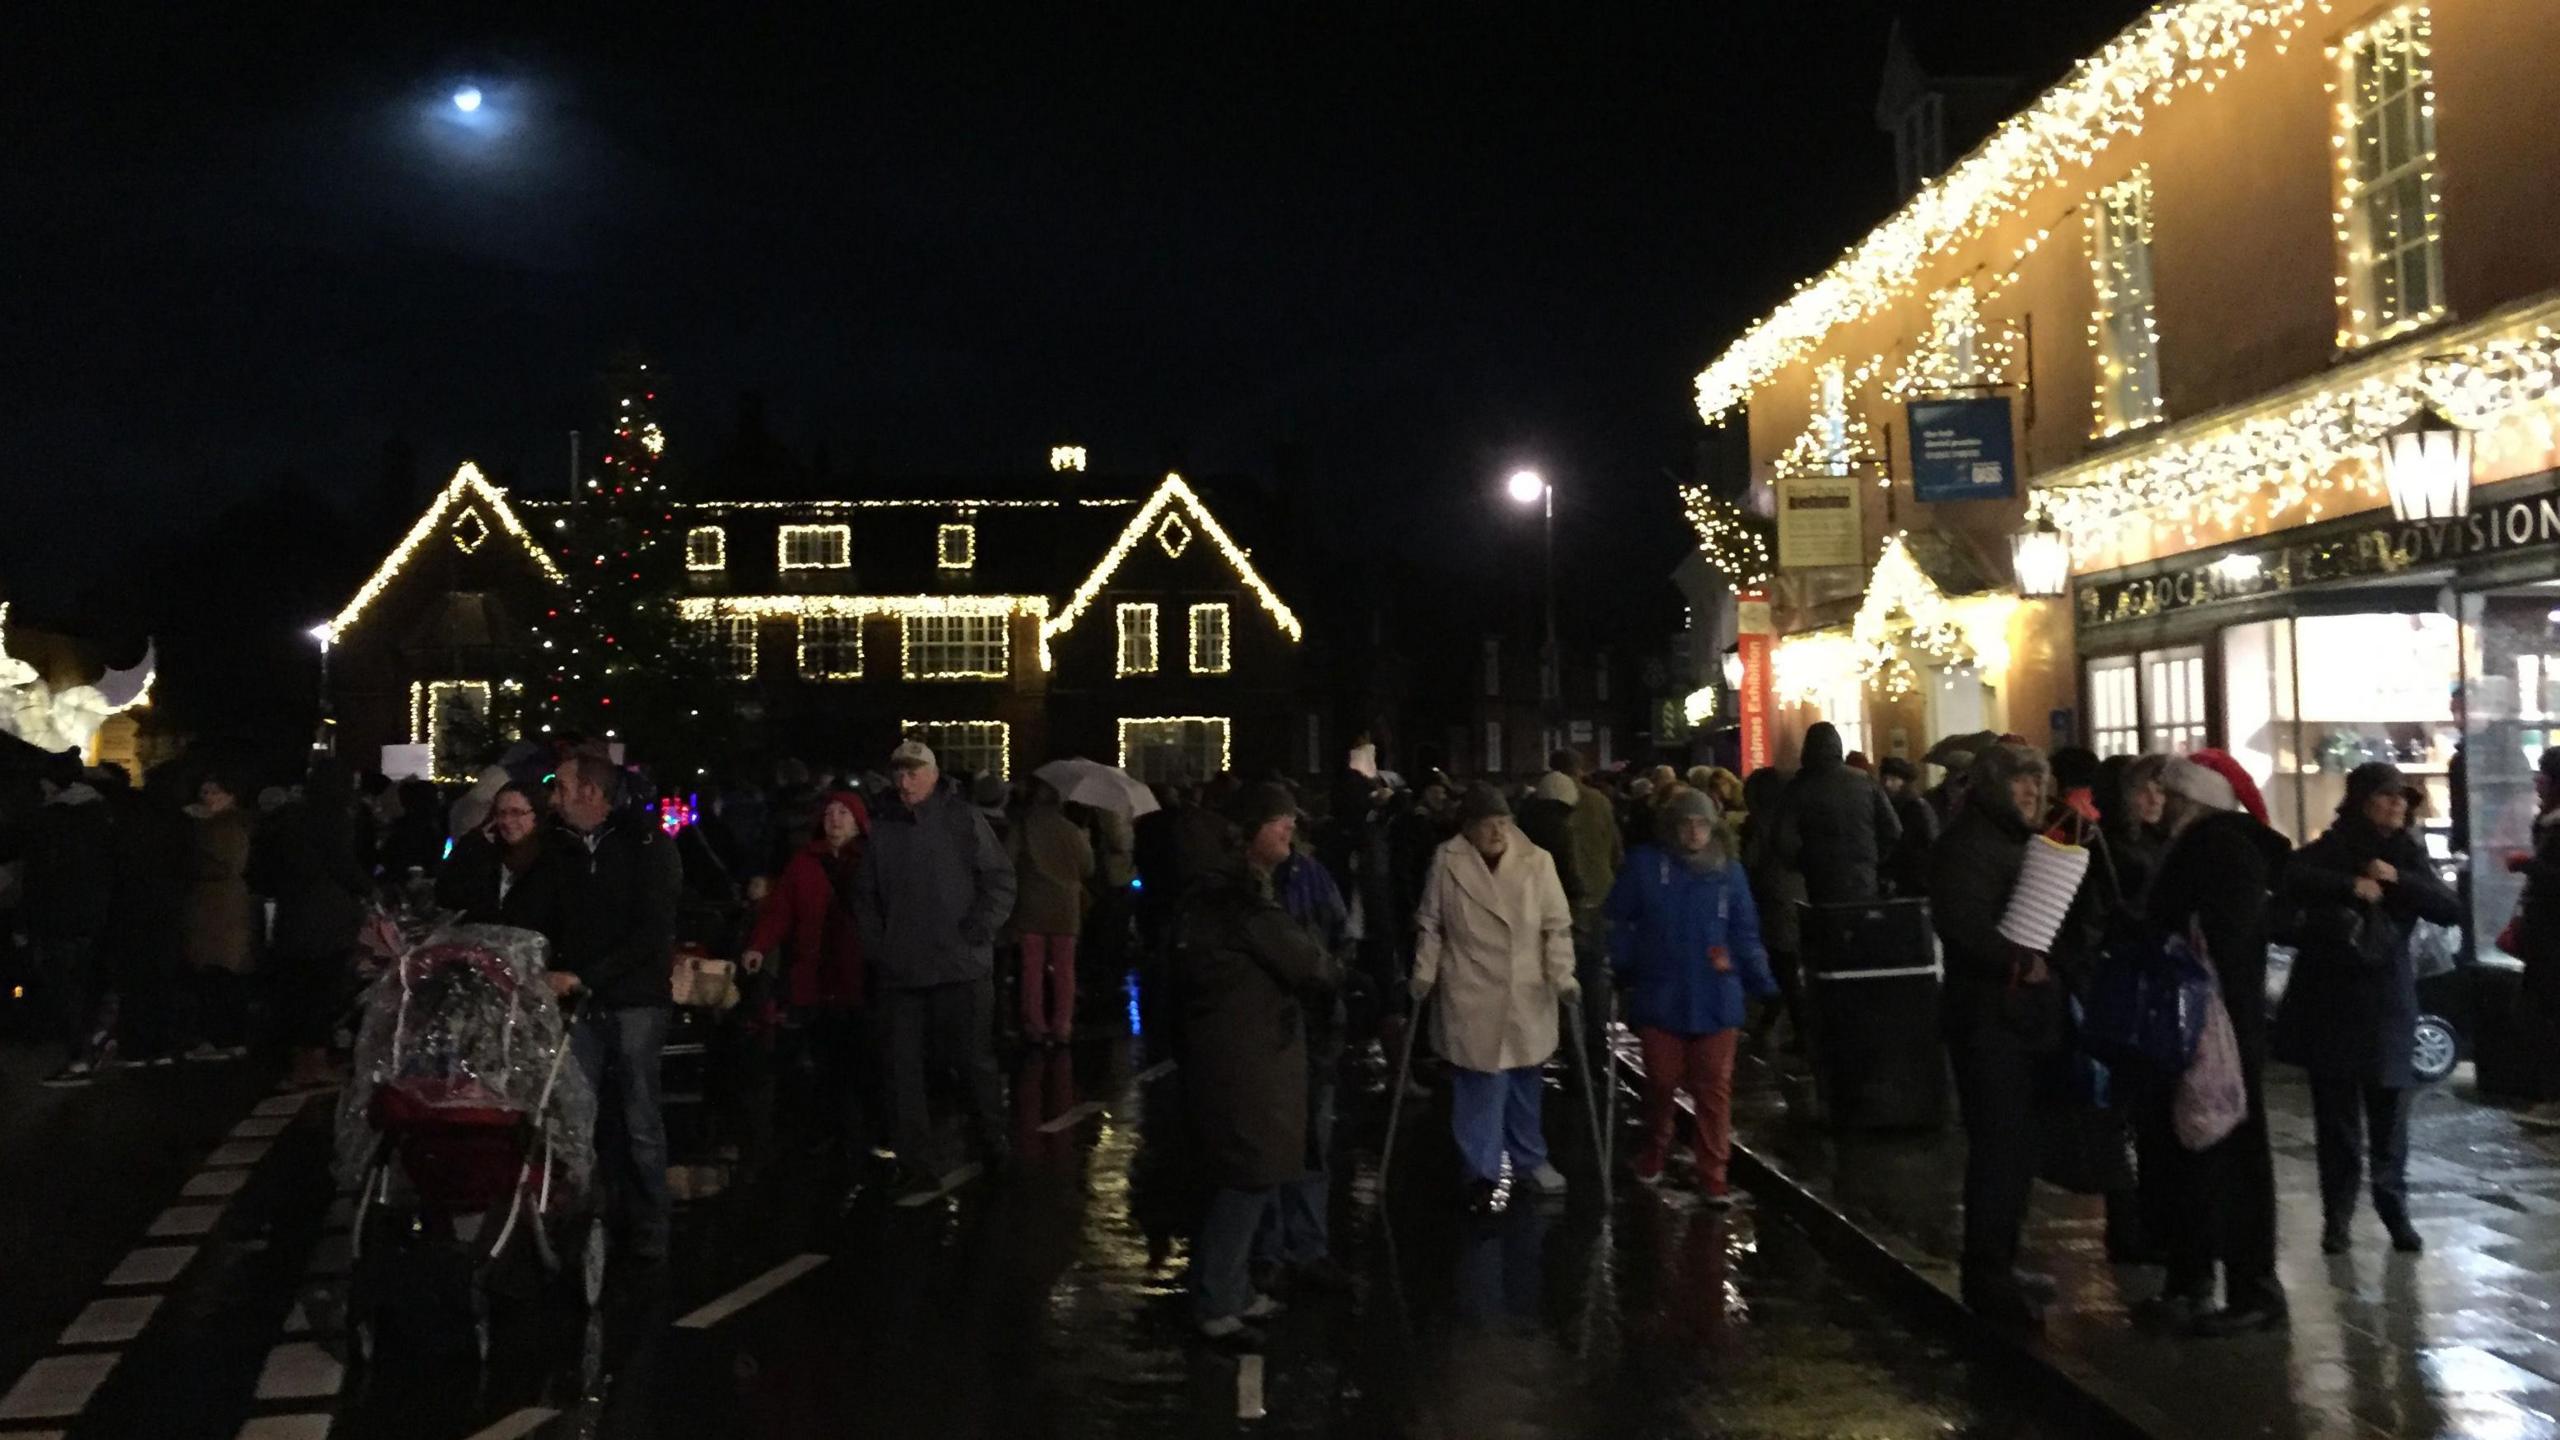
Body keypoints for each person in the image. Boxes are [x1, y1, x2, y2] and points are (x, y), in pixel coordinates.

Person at [2275, 761, 2461, 1258]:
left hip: (2386, 1003)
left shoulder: (2406, 853)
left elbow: (2447, 907)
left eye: (2403, 797)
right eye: (2386, 795)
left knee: (2389, 1116)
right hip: (2331, 999)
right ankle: (2337, 1218)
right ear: (2362, 800)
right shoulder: (2331, 849)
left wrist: (2396, 878)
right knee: (2335, 1120)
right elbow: (2292, 880)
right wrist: (2349, 886)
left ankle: (2393, 1209)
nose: (2398, 804)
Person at [2136, 755, 2294, 1335]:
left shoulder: (2218, 847)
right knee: (2198, 1149)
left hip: (2215, 1024)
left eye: (2173, 797)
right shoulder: (2208, 843)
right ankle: (2196, 1279)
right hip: (2209, 1021)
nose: (2163, 806)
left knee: (2228, 1152)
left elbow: (2220, 936)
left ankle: (2251, 1290)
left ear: (2195, 800)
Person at [1179, 783, 1336, 1348]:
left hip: (1239, 1047)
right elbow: (1306, 961)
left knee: (1250, 1169)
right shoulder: (1243, 902)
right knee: (1248, 1174)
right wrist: (1331, 962)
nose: (1289, 831)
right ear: (1248, 833)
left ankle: (1235, 1288)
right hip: (1246, 1053)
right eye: (1277, 823)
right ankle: (1217, 1299)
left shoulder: (1220, 893)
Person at [1929, 743, 2063, 1327]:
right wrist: (2016, 958)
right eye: (2021, 783)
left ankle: (2003, 1262)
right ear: (1993, 787)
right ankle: (1987, 1275)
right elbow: (1962, 924)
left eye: (2039, 782)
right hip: (1986, 1016)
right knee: (1997, 1148)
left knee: (2015, 1148)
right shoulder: (1969, 843)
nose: (2033, 793)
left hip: (2015, 1014)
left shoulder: (2014, 838)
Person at [854, 740, 1016, 1195]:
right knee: (902, 1071)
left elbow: (999, 878)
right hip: (902, 969)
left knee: (970, 1061)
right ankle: (916, 1162)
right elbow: (865, 895)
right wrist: (878, 945)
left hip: (958, 966)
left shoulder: (963, 819)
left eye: (913, 773)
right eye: (899, 774)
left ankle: (991, 1141)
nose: (905, 782)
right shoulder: (883, 828)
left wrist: (979, 927)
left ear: (931, 775)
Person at [1411, 783, 1578, 1210]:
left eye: (1504, 823)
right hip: (1471, 988)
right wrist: (1424, 974)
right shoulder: (1447, 862)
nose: (1498, 832)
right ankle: (1480, 1171)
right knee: (1479, 1085)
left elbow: (1555, 927)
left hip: (1526, 988)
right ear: (1468, 828)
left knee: (1525, 1080)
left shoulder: (1537, 862)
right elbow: (1431, 924)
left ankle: (1530, 1160)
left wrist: (1563, 976)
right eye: (1489, 825)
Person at [1606, 787, 1774, 1205]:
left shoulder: (1728, 872)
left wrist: (1761, 982)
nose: (1694, 833)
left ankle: (1713, 1171)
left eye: (1701, 824)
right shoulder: (1647, 868)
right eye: (1686, 824)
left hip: (1715, 994)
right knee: (1661, 1082)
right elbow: (1618, 919)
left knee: (1713, 1086)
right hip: (1661, 992)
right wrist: (1622, 963)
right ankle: (1656, 1148)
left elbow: (1744, 932)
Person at [549, 751, 684, 1261]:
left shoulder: (646, 846)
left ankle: (652, 1218)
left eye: (562, 787)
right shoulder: (563, 846)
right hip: (583, 995)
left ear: (590, 791)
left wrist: (587, 974)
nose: (554, 797)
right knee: (576, 1113)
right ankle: (587, 1212)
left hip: (633, 999)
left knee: (638, 1112)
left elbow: (650, 931)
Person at [741, 787, 873, 1167]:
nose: (834, 820)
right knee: (818, 1058)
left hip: (856, 975)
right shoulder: (804, 863)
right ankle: (824, 1134)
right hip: (811, 977)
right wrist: (758, 947)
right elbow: (780, 911)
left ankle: (857, 1134)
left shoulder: (869, 860)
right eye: (830, 813)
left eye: (843, 814)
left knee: (855, 1058)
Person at [1263, 815, 1356, 1295]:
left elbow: (1342, 934)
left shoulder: (1311, 878)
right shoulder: (1248, 885)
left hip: (1315, 1024)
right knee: (1273, 1141)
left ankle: (1306, 1246)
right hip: (1270, 1031)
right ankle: (1273, 1249)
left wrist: (1332, 975)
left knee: (1311, 1140)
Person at [251, 758, 374, 1090]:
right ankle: (314, 1064)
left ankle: (298, 1064)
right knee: (322, 992)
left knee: (297, 990)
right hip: (327, 917)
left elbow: (262, 870)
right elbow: (344, 866)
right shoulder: (333, 819)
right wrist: (370, 889)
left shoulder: (289, 819)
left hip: (293, 915)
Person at [4, 758, 116, 1086]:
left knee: (63, 988)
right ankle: (96, 1039)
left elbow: (37, 877)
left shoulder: (50, 821)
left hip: (56, 916)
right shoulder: (101, 815)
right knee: (84, 982)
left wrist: (24, 921)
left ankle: (79, 1058)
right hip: (93, 914)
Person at [1774, 721, 1901, 907]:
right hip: (1864, 881)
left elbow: (1783, 839)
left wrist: (1803, 863)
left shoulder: (1799, 788)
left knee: (1827, 932)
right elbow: (1893, 830)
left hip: (1820, 881)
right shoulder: (1865, 781)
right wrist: (1871, 859)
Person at [1009, 779, 1095, 1046]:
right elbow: (1088, 868)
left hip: (1032, 905)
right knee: (1065, 968)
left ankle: (1035, 1023)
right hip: (1065, 908)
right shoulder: (1071, 831)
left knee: (1032, 968)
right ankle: (1062, 1024)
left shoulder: (1023, 829)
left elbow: (1007, 861)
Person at [181, 772, 257, 1061]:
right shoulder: (228, 824)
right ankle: (228, 1037)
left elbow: (224, 864)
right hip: (218, 907)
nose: (208, 798)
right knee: (222, 972)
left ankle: (220, 1037)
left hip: (217, 908)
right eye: (204, 792)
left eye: (215, 791)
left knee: (218, 973)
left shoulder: (224, 827)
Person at [435, 780, 569, 930]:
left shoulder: (556, 856)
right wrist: (473, 842)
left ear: (537, 815)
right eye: (501, 813)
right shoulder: (488, 852)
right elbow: (446, 895)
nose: (507, 821)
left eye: (516, 812)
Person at [2509, 748, 2560, 1131]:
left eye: (2543, 778)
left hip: (2553, 940)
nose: (2537, 786)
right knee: (2538, 1014)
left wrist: (2531, 866)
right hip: (2542, 939)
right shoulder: (2545, 823)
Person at [1738, 766, 1806, 1051]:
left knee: (1783, 967)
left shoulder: (1758, 824)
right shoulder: (1795, 817)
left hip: (1772, 898)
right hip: (1797, 893)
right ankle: (1781, 1022)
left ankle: (1793, 1029)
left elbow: (1751, 861)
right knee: (1787, 965)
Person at [1877, 756, 1937, 898]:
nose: (1887, 784)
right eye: (1884, 779)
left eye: (1893, 779)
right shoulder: (1892, 806)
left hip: (1916, 879)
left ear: (1904, 781)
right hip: (1905, 878)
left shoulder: (1916, 807)